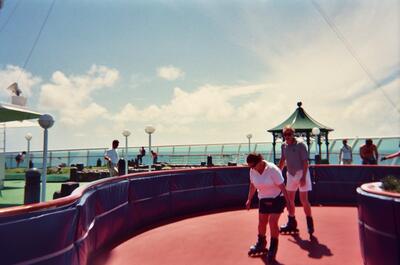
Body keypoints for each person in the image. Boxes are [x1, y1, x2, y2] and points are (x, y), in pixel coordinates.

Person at [246, 153, 290, 261]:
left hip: (277, 197)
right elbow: (252, 185)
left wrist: (288, 202)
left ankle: (273, 247)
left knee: (272, 222)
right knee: (262, 222)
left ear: (260, 162)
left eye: (253, 166)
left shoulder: (273, 169)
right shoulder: (252, 171)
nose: (251, 168)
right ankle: (261, 243)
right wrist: (249, 199)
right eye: (250, 166)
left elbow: (282, 187)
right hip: (263, 198)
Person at [278, 125, 314, 236]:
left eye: (289, 134)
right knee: (289, 200)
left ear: (293, 134)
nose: (287, 136)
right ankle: (291, 221)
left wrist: (303, 177)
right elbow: (283, 160)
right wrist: (277, 173)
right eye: (285, 134)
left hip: (301, 173)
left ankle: (309, 222)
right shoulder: (283, 146)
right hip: (290, 175)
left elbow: (305, 163)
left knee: (304, 200)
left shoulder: (301, 145)